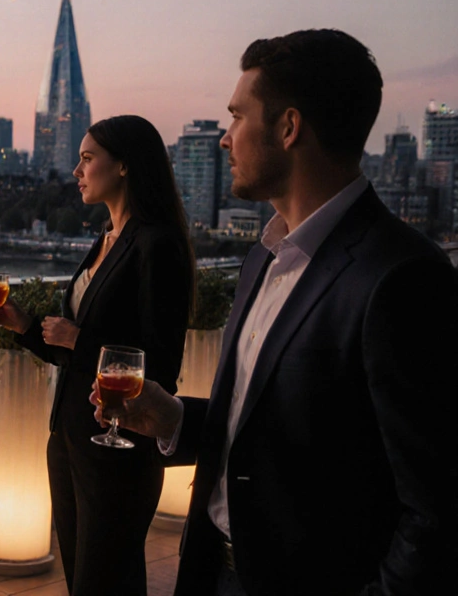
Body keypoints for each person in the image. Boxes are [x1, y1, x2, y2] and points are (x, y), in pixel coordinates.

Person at [95, 29, 457, 595]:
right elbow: (266, 427)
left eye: (237, 116)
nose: (224, 138)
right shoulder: (262, 258)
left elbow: (438, 513)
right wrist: (173, 420)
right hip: (213, 571)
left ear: (289, 128)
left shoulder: (403, 279)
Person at [0, 114, 194, 595]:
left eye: (87, 158)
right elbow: (71, 350)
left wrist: (80, 340)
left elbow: (160, 364)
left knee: (107, 580)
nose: (76, 170)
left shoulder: (157, 245)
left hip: (118, 445)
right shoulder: (106, 239)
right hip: (71, 437)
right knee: (81, 577)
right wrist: (24, 326)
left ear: (123, 166)